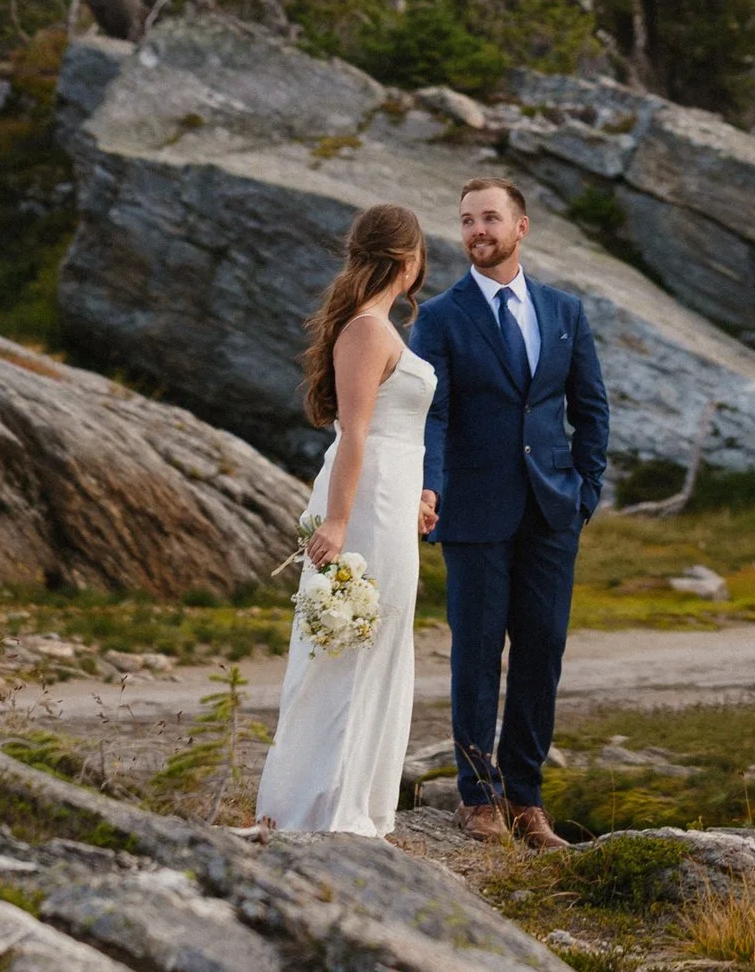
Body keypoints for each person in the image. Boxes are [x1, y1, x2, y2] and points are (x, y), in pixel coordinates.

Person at [414, 173, 611, 847]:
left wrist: (587, 488)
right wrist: (428, 486)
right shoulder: (439, 316)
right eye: (467, 219)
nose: (477, 230)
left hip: (552, 509)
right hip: (471, 512)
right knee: (475, 655)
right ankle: (478, 797)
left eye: (490, 217)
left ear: (521, 226)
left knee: (541, 652)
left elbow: (590, 408)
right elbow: (430, 414)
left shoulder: (564, 311)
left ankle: (527, 801)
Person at [256, 201, 435, 837]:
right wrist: (335, 522)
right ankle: (316, 808)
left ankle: (356, 802)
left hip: (389, 500)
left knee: (381, 643)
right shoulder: (364, 330)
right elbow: (355, 435)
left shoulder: (380, 328)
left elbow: (393, 433)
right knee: (344, 647)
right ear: (410, 262)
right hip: (360, 506)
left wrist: (414, 495)